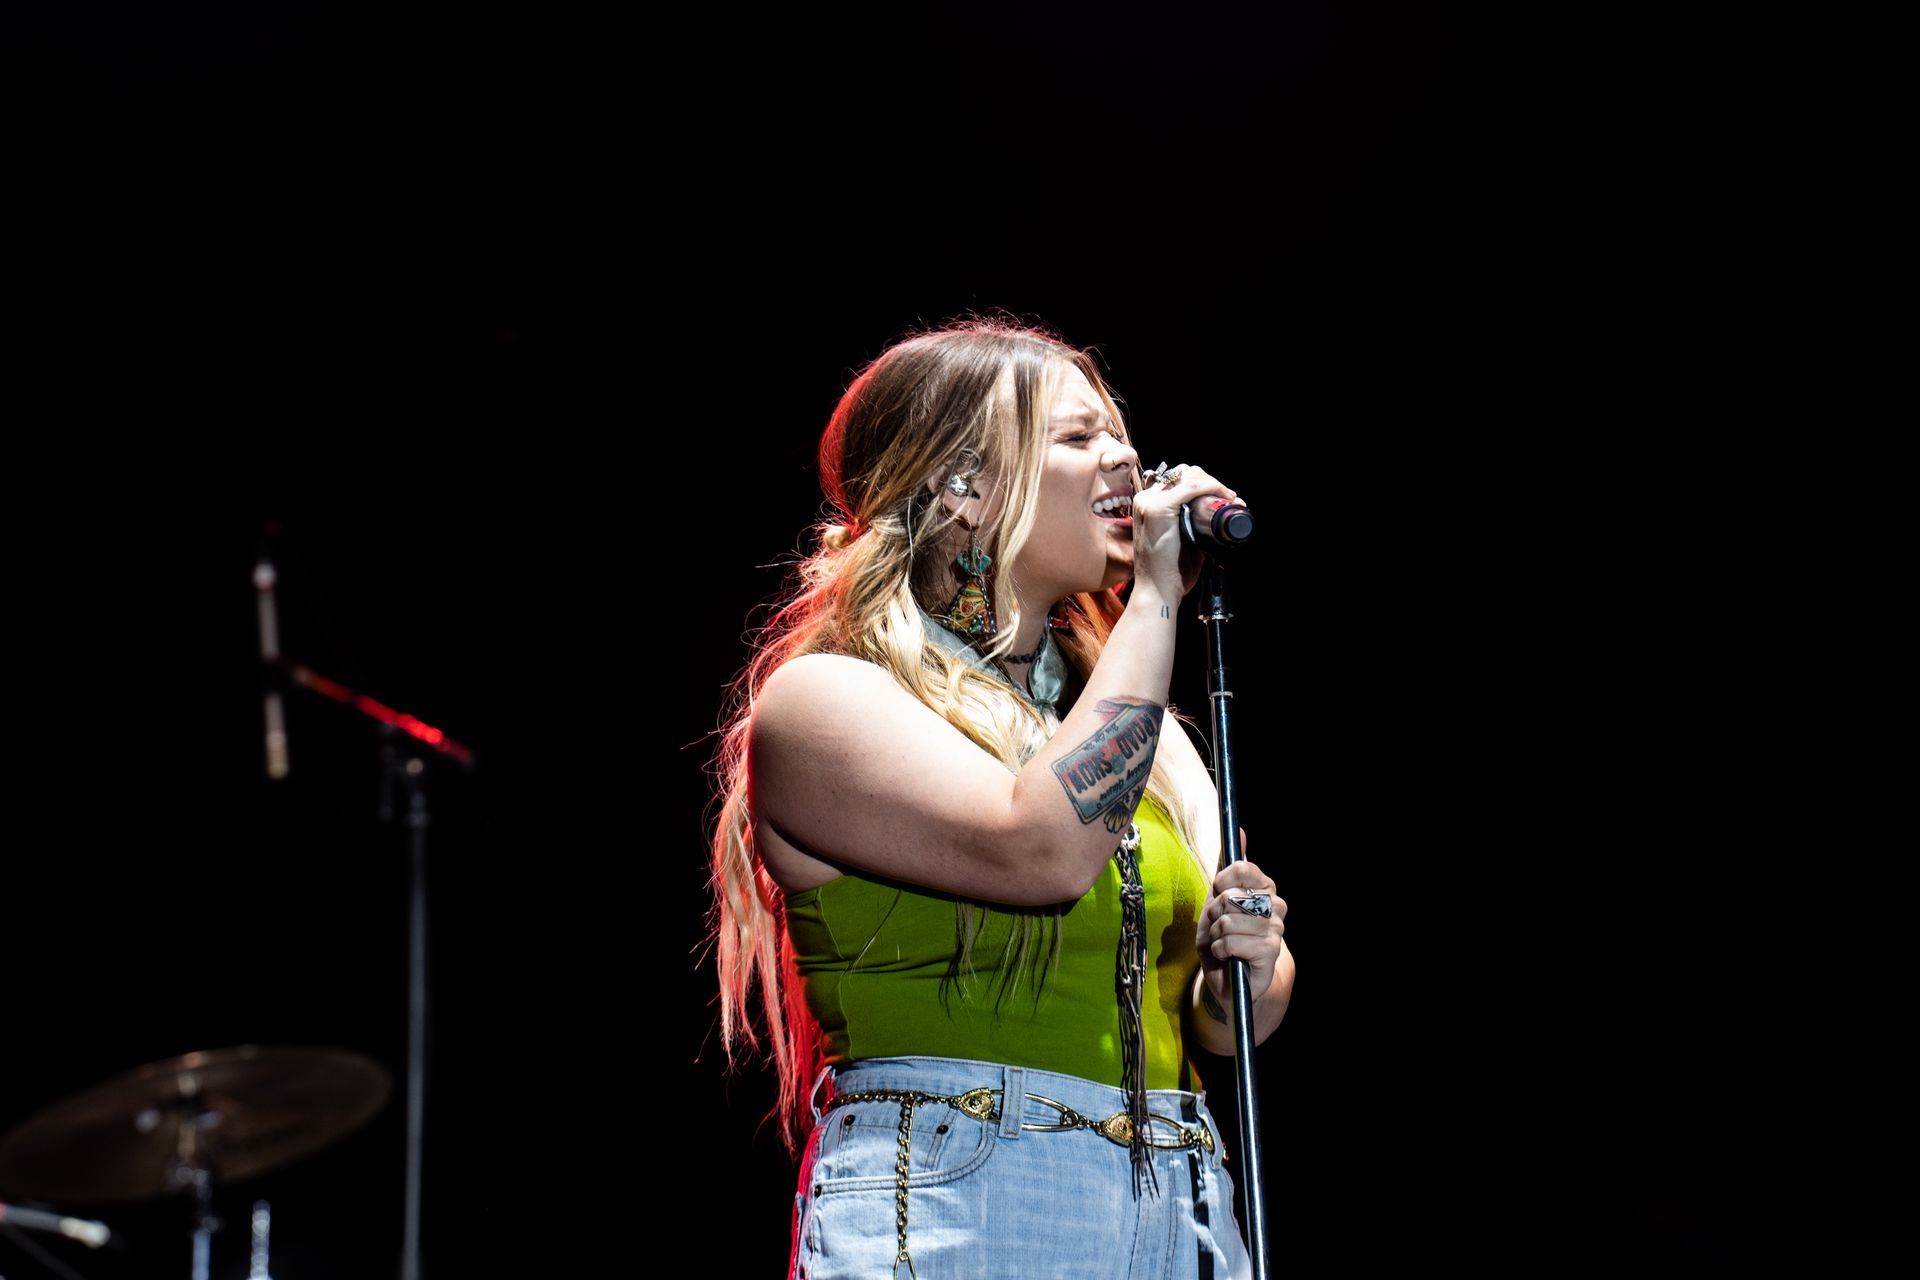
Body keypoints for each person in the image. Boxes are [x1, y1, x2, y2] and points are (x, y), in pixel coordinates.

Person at [708, 318, 1294, 1279]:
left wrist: (1251, 965)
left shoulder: (1146, 729)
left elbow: (1225, 1024)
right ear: (965, 488)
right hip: (962, 1185)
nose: (1129, 462)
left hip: (1178, 1199)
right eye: (1078, 438)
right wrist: (1153, 600)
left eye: (1121, 435)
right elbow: (1043, 850)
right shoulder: (824, 700)